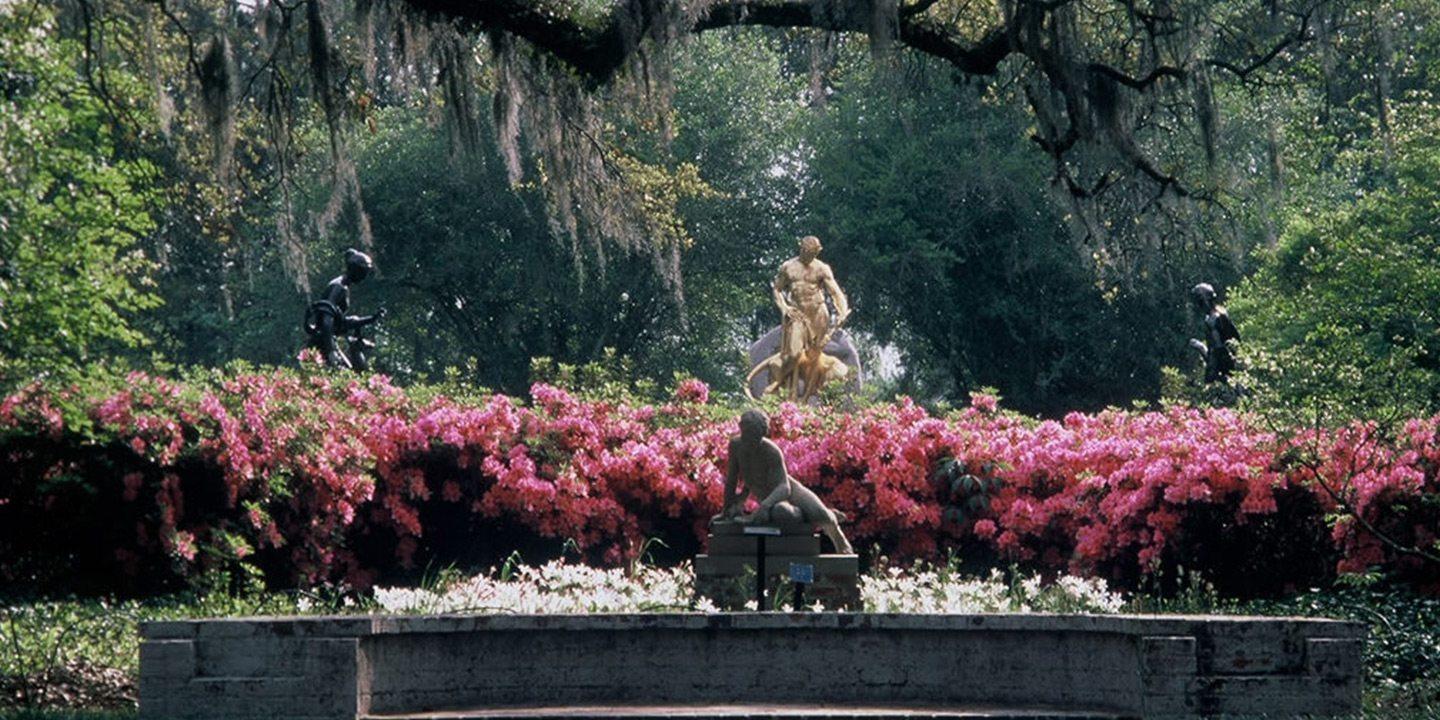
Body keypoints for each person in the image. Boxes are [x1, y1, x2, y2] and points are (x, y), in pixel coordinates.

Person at [712, 409, 854, 554]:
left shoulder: (771, 451)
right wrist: (726, 511)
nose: (750, 442)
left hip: (791, 492)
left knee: (823, 517)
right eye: (747, 435)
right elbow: (732, 480)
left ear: (762, 434)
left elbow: (784, 487)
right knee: (783, 513)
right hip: (774, 501)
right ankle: (807, 514)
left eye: (755, 437)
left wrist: (765, 506)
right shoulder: (736, 446)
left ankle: (838, 538)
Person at [771, 235, 849, 399]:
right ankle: (779, 381)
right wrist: (784, 307)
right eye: (809, 252)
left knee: (814, 357)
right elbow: (777, 289)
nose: (811, 256)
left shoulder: (822, 268)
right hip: (798, 315)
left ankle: (805, 398)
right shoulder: (788, 267)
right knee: (794, 354)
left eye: (815, 253)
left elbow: (835, 292)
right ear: (802, 249)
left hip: (818, 313)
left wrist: (842, 310)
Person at [304, 248, 385, 370]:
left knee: (351, 373)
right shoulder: (338, 287)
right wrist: (331, 351)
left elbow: (340, 322)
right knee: (345, 376)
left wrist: (371, 319)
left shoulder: (344, 287)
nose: (364, 277)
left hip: (328, 340)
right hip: (321, 343)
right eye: (363, 273)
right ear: (356, 271)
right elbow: (326, 322)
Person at [1188, 282, 1239, 383]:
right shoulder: (1220, 313)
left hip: (1225, 372)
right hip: (1231, 367)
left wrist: (1210, 378)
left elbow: (1218, 351)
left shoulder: (1213, 320)